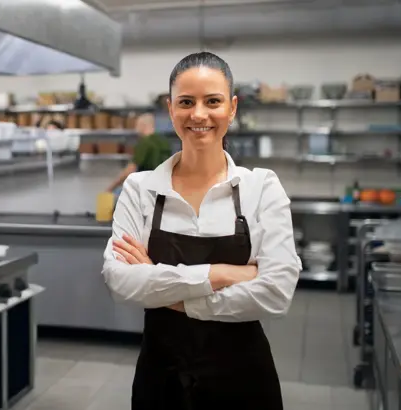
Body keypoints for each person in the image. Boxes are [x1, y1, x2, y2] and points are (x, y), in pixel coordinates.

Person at [100, 51, 301, 410]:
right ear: (170, 107)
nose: (199, 114)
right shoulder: (140, 188)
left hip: (243, 377)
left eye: (213, 101)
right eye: (186, 102)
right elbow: (119, 280)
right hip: (160, 375)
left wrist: (166, 292)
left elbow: (276, 291)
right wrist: (222, 273)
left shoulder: (261, 188)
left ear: (233, 107)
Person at [104, 113, 171, 196]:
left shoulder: (145, 143)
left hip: (147, 189)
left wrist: (111, 188)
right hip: (164, 189)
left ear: (143, 125)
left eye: (137, 125)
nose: (136, 129)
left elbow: (130, 169)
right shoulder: (165, 142)